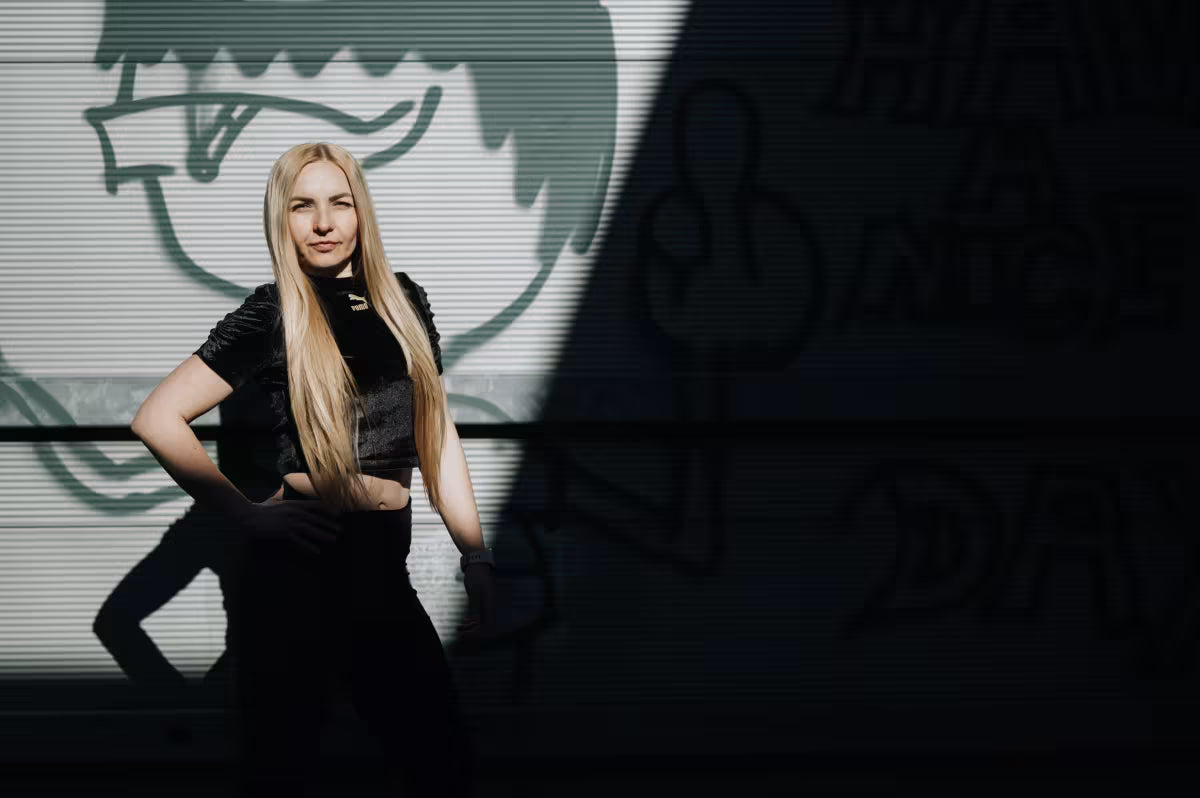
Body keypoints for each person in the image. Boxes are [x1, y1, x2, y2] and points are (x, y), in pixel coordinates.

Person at [130, 140, 496, 797]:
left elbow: (437, 437)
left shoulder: (403, 302)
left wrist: (475, 556)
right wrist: (246, 517)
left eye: (338, 203)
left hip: (383, 569)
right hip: (298, 572)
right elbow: (157, 418)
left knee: (441, 763)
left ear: (361, 213)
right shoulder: (271, 313)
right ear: (282, 218)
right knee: (283, 772)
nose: (323, 223)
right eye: (303, 206)